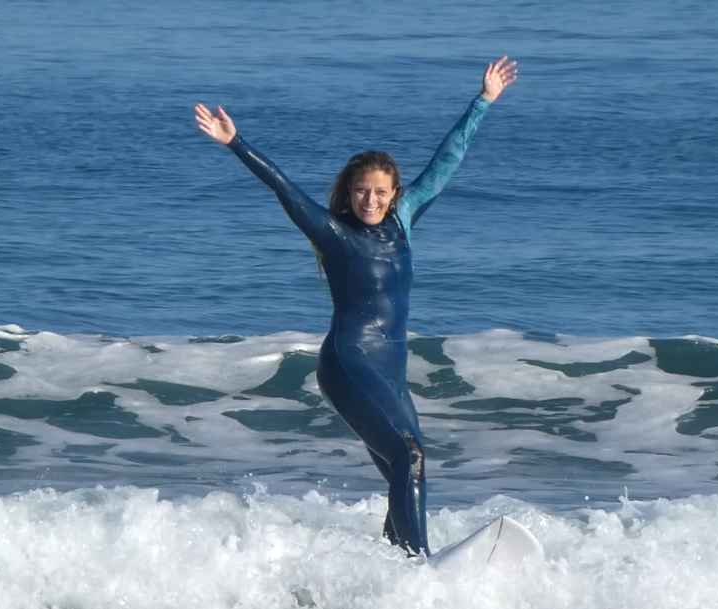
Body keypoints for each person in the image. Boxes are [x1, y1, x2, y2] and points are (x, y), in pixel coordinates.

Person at [195, 56, 518, 556]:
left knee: (410, 464)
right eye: (362, 191)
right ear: (350, 192)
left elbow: (446, 161)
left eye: (380, 192)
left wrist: (484, 100)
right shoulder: (335, 233)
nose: (370, 199)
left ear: (393, 196)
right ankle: (419, 564)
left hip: (390, 369)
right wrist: (235, 142)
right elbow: (285, 189)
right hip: (349, 362)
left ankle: (393, 561)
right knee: (407, 456)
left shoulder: (404, 219)